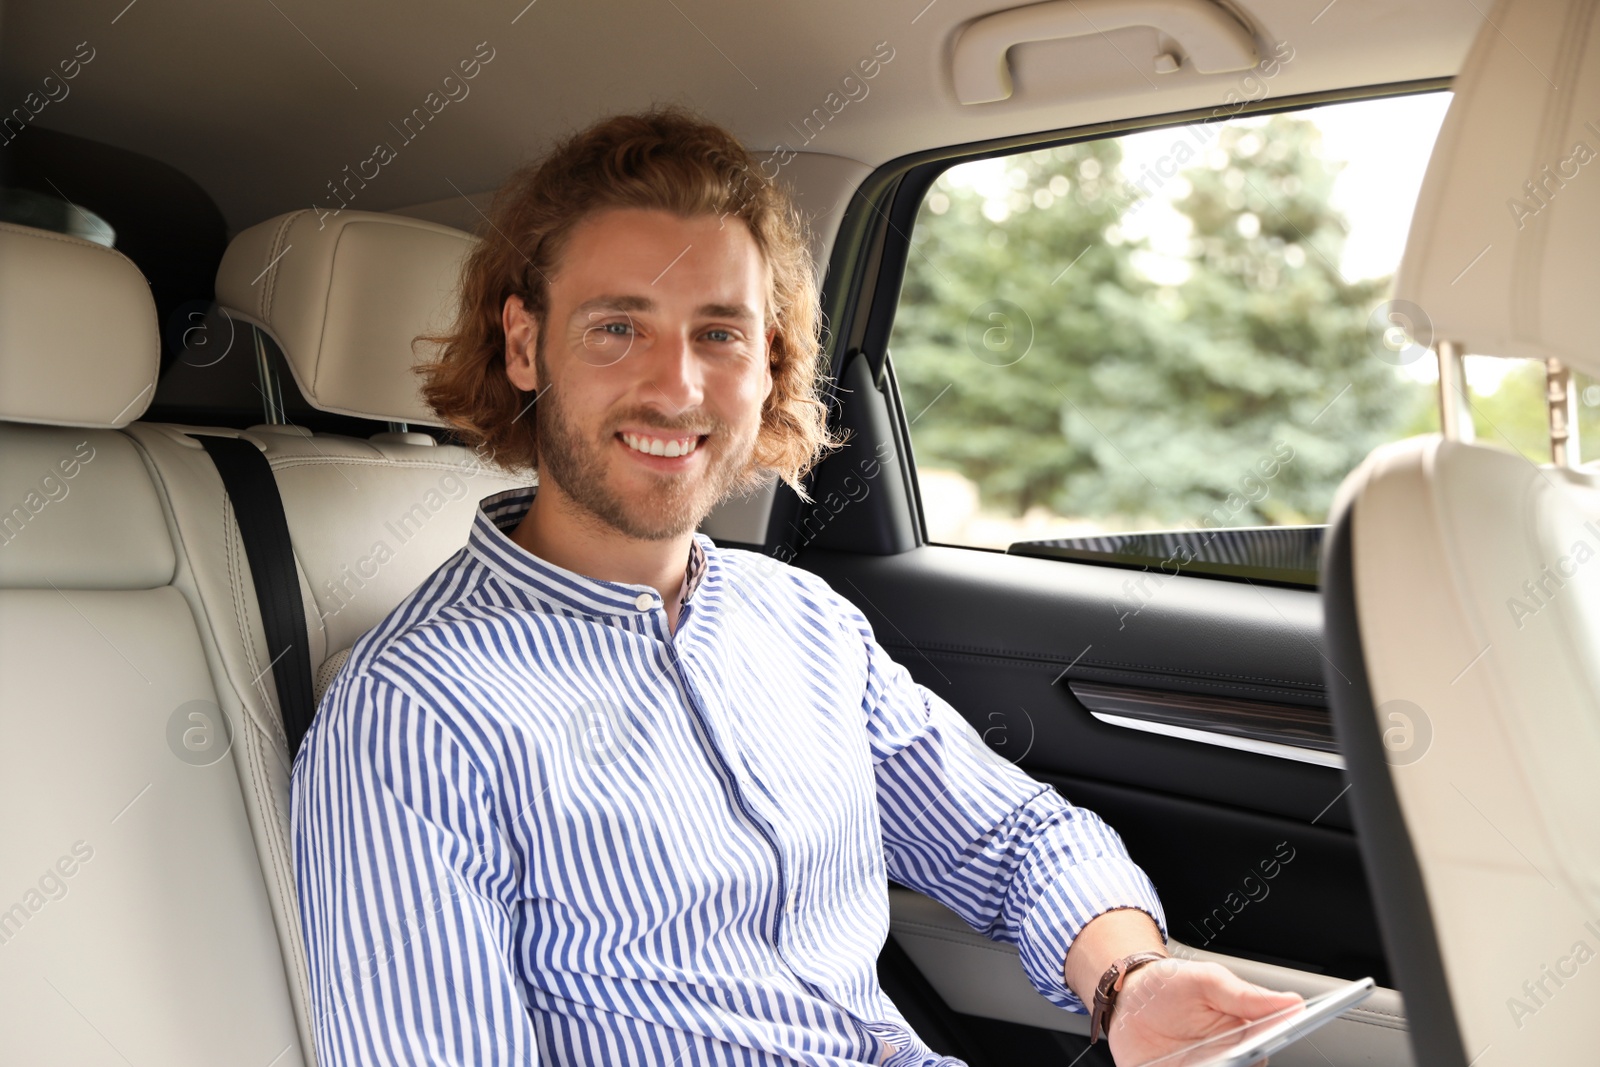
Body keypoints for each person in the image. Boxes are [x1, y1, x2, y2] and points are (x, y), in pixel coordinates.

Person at [290, 106, 1302, 1067]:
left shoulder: (801, 620)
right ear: (523, 343)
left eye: (719, 332)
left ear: (767, 359)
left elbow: (1012, 836)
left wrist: (1130, 979)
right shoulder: (413, 716)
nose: (677, 387)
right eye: (617, 326)